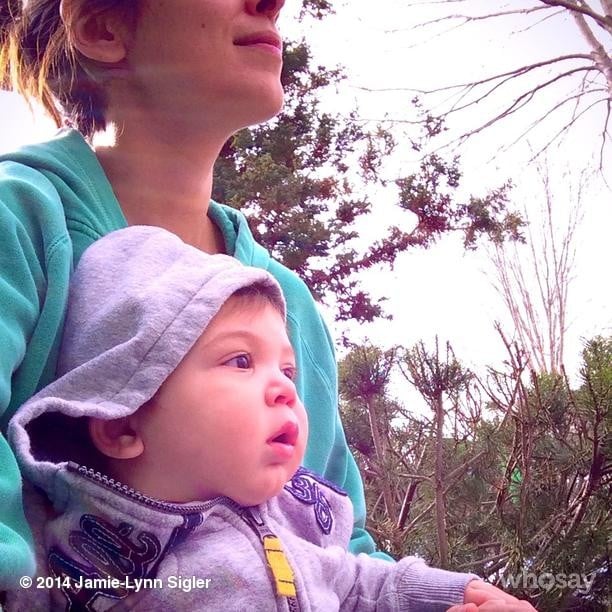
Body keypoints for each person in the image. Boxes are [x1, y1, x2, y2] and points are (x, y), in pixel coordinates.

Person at [0, 0, 380, 591]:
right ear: (103, 28)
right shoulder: (17, 221)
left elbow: (336, 538)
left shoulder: (290, 305)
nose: (273, 3)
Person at [7, 226, 537, 612]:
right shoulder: (92, 561)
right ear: (123, 423)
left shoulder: (295, 521)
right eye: (241, 361)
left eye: (286, 366)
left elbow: (359, 586)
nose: (286, 386)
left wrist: (458, 591)